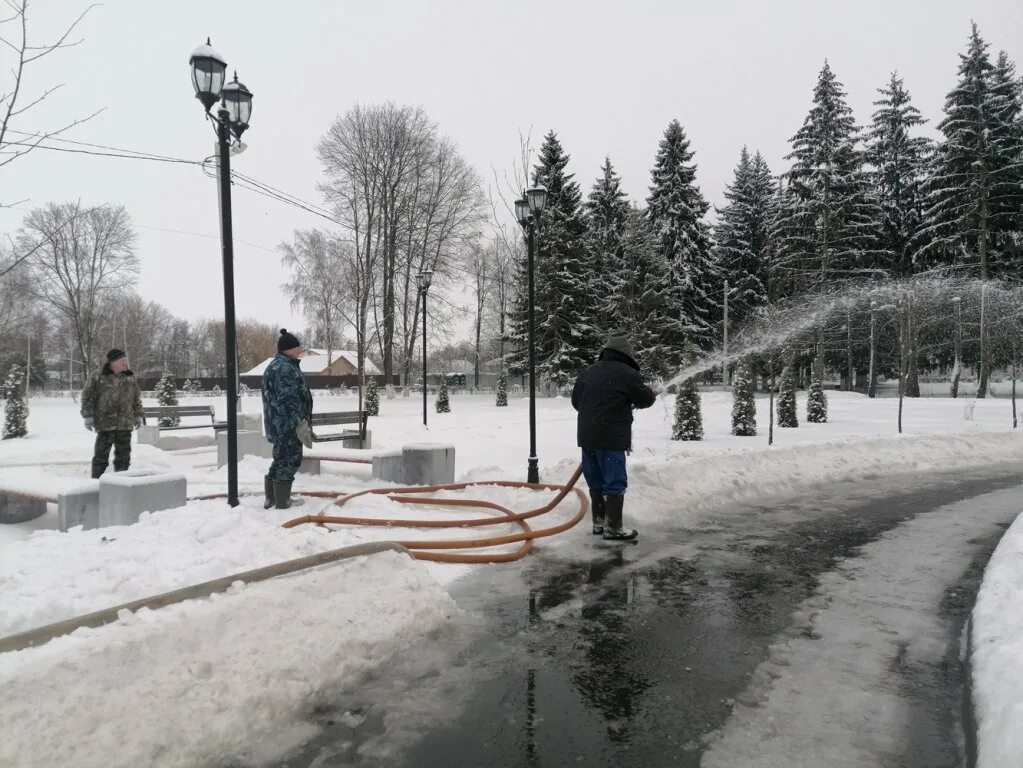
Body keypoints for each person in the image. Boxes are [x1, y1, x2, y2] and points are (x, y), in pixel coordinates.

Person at [571, 331, 656, 541]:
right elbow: (645, 400)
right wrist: (650, 393)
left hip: (587, 437)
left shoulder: (588, 372)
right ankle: (614, 528)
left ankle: (599, 524)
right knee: (614, 482)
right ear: (626, 355)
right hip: (611, 438)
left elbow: (576, 402)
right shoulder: (627, 374)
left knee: (596, 481)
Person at [262, 329, 313, 509]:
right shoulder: (285, 369)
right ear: (289, 349)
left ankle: (272, 498)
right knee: (290, 460)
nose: (300, 350)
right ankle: (282, 501)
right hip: (287, 426)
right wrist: (299, 423)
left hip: (278, 424)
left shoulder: (276, 365)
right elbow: (288, 400)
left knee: (280, 460)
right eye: (297, 347)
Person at [81, 349, 144, 479]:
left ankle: (121, 484)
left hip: (125, 423)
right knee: (101, 456)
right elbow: (88, 396)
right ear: (113, 362)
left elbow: (136, 398)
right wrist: (88, 416)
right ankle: (96, 484)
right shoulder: (98, 376)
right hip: (105, 423)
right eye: (123, 361)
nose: (125, 363)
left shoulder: (129, 377)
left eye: (126, 361)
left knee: (124, 457)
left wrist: (138, 415)